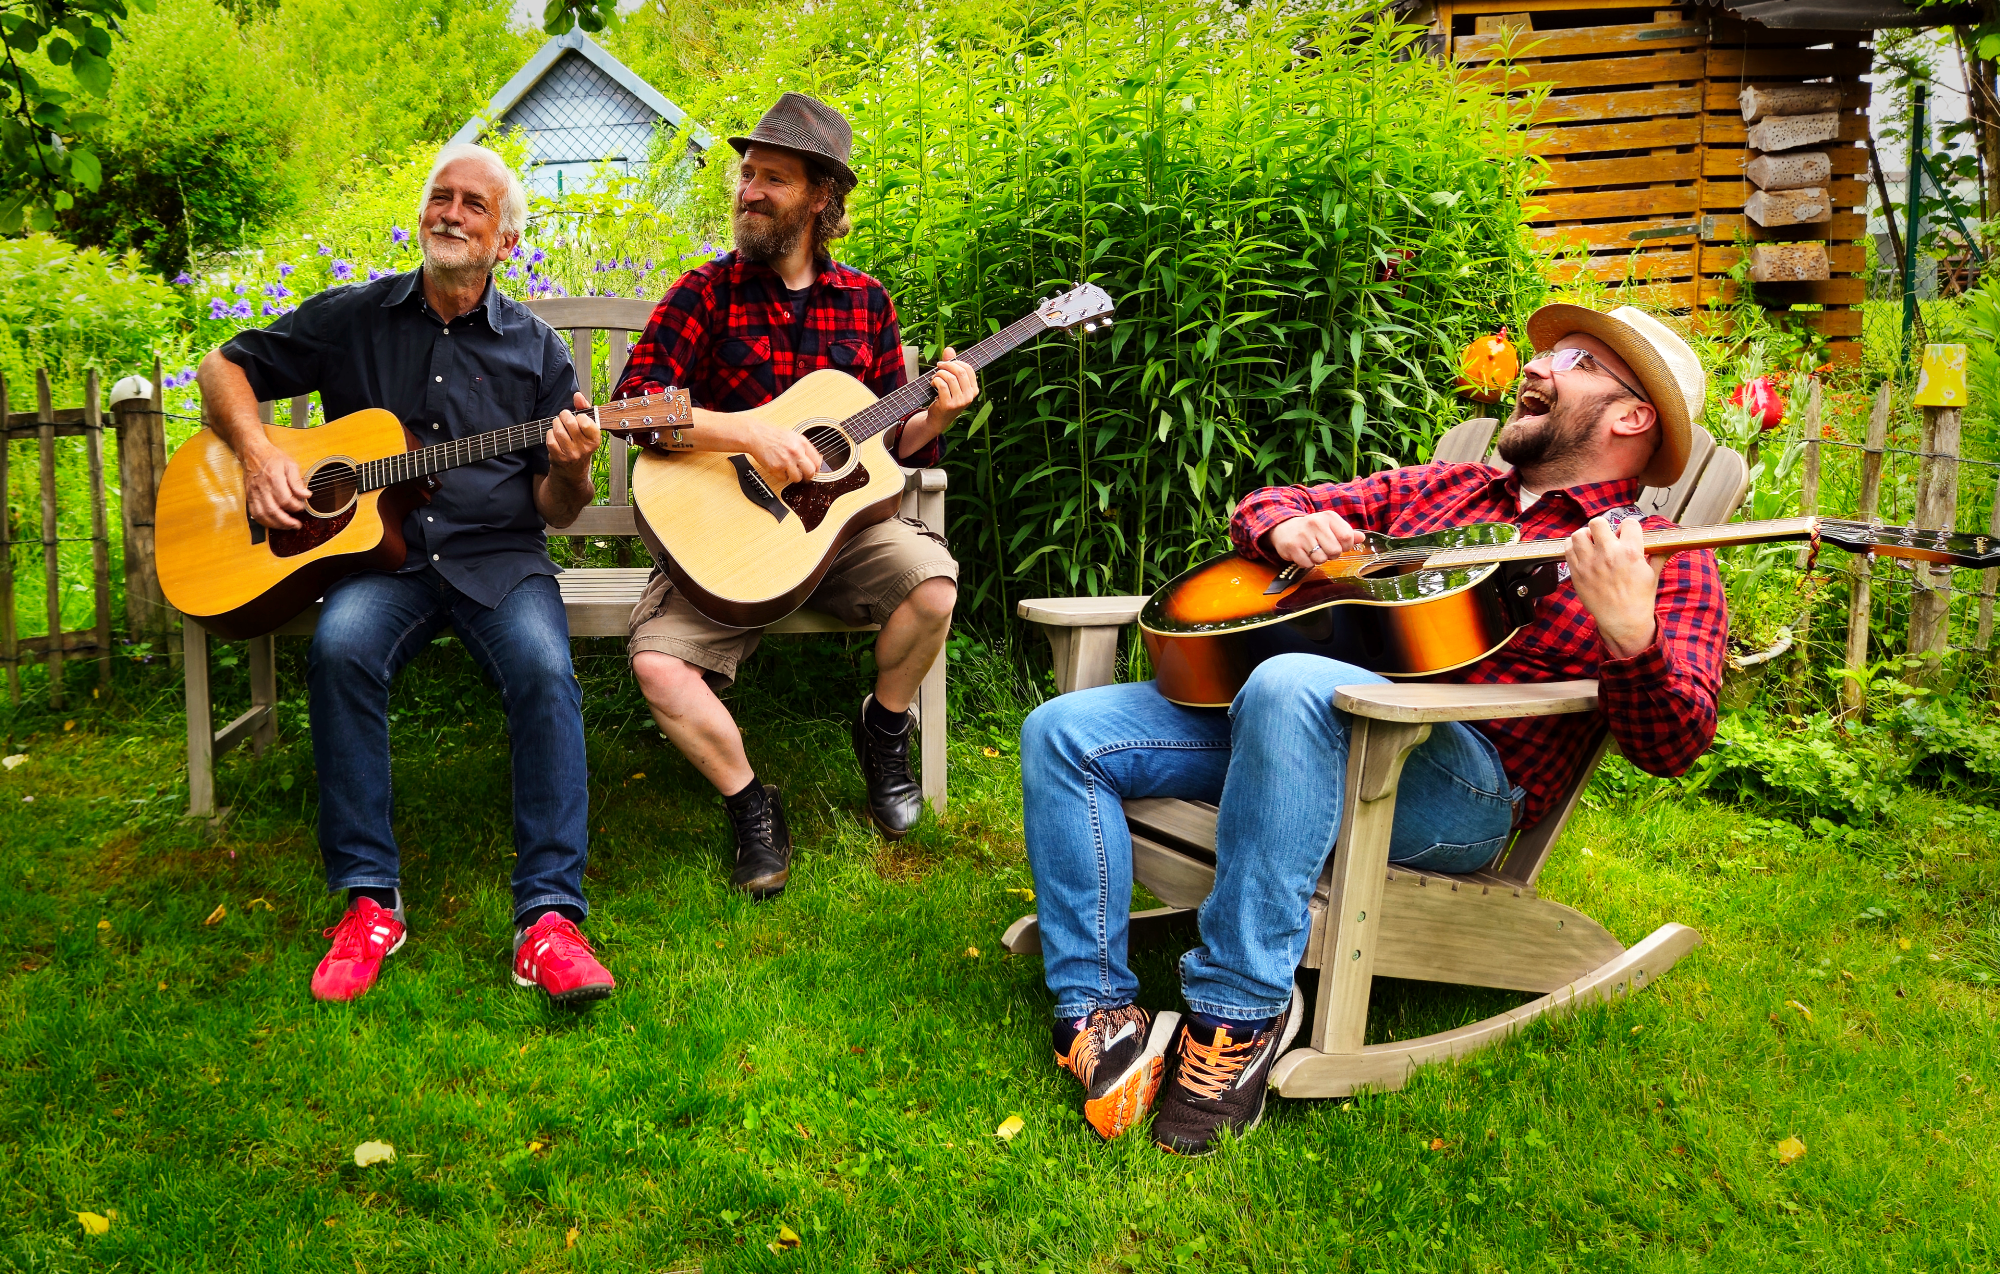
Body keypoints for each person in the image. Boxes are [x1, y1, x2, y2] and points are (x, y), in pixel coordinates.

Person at [1019, 304, 1729, 1153]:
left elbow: (1674, 742)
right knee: (1066, 731)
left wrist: (1630, 633)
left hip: (1459, 789)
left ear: (1630, 415)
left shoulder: (1664, 553)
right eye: (1547, 354)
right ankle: (1095, 1011)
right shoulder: (1450, 488)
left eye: (1572, 360)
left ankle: (1236, 1019)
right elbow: (1272, 499)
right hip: (1302, 732)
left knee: (1289, 681)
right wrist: (1283, 525)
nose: (1534, 367)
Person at [195, 143, 617, 1005]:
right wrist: (260, 453)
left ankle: (547, 920)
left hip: (499, 557)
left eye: (474, 205)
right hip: (380, 561)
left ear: (504, 241)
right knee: (342, 649)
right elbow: (222, 367)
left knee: (544, 670)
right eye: (441, 197)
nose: (451, 213)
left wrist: (573, 467)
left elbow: (558, 508)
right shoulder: (354, 317)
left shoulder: (538, 354)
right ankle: (369, 900)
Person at [613, 93, 978, 899]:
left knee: (934, 586)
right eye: (747, 174)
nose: (748, 191)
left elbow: (886, 448)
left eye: (771, 178)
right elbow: (633, 406)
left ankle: (884, 730)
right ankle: (752, 804)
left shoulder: (866, 302)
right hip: (728, 539)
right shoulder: (703, 293)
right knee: (658, 668)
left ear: (821, 196)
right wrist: (744, 434)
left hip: (838, 538)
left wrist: (937, 412)